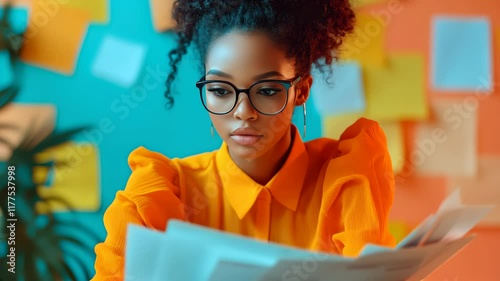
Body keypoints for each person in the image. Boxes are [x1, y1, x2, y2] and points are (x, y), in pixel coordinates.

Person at [91, 0, 396, 279]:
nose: (243, 112)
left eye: (266, 90)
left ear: (301, 91)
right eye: (221, 90)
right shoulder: (157, 195)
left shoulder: (346, 180)